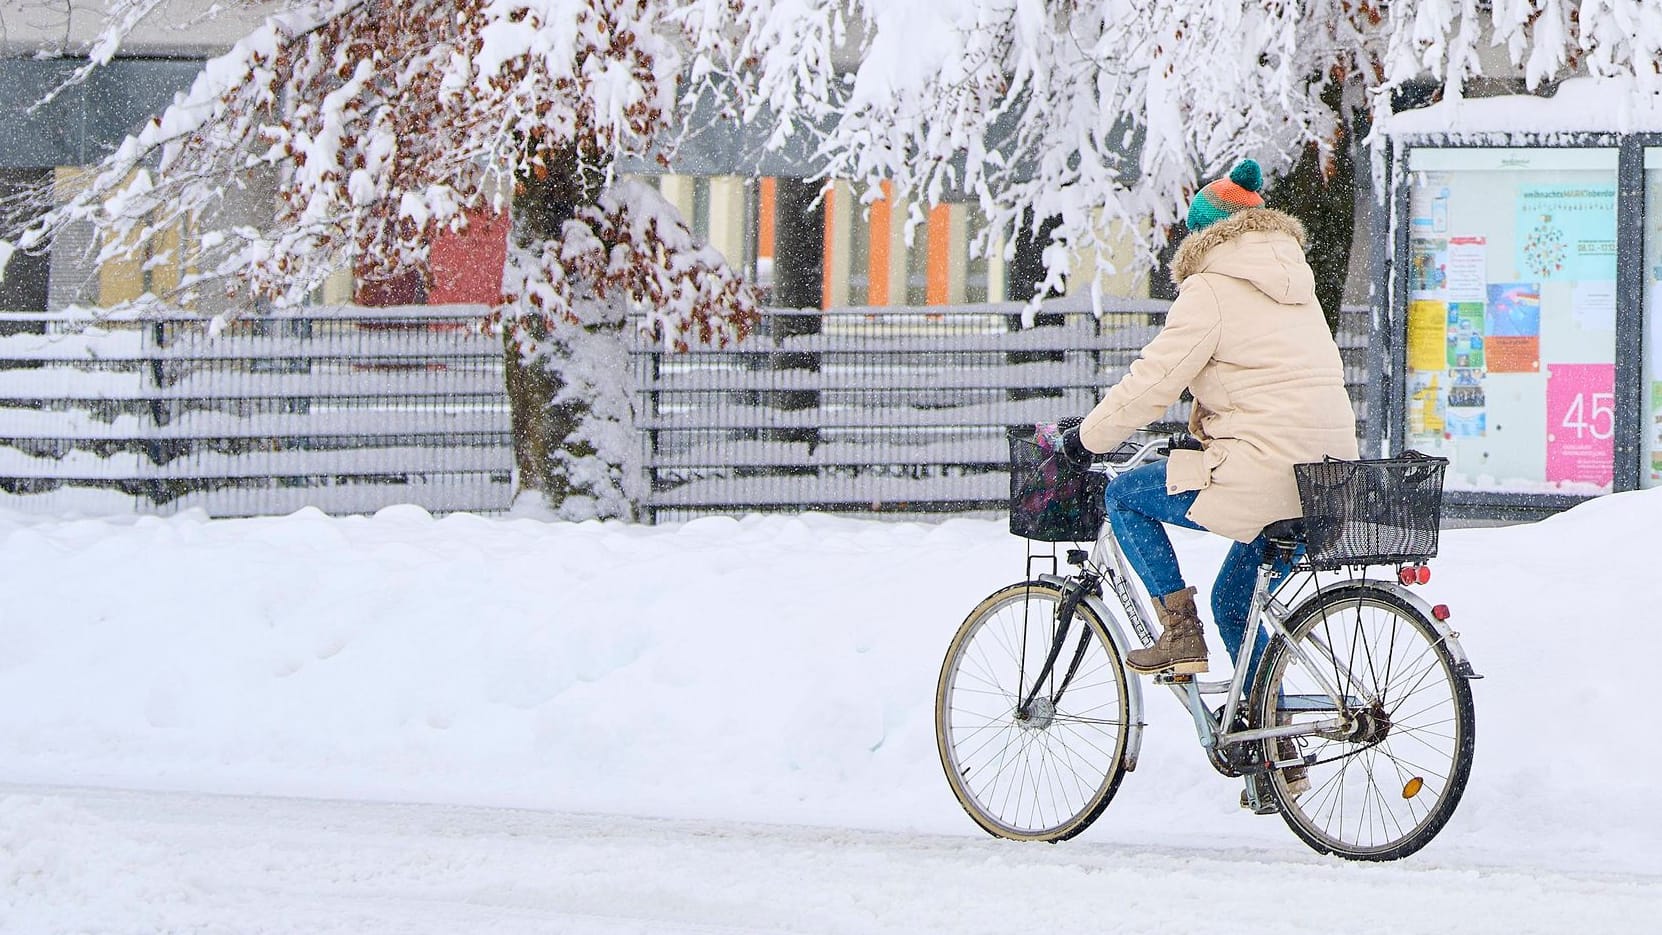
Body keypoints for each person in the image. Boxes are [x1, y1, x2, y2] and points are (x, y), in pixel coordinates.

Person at [1060, 159, 1358, 683]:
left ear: (1202, 236)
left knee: (1125, 495)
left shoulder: (1211, 289)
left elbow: (1153, 381)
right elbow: (1274, 385)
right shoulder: (1297, 286)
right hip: (1327, 480)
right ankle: (1274, 746)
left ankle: (1179, 634)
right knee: (1233, 601)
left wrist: (1089, 439)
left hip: (1266, 476)